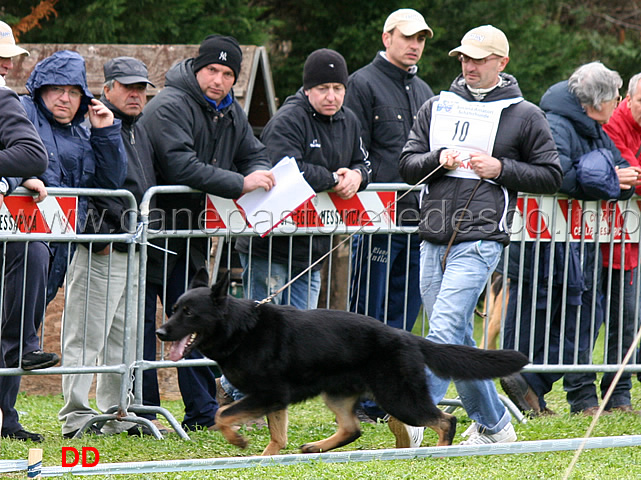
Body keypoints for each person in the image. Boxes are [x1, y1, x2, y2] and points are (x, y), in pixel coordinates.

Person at [391, 25, 562, 447]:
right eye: (464, 58)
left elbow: (552, 174)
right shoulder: (437, 106)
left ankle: (416, 413)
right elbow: (407, 164)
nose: (468, 66)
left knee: (445, 328)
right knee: (458, 340)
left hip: (482, 236)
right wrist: (437, 159)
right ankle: (495, 425)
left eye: (478, 59)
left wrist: (500, 169)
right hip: (433, 235)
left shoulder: (526, 114)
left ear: (501, 64)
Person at [140, 34, 275, 431]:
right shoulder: (169, 105)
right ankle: (145, 410)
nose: (218, 80)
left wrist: (257, 171)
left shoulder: (230, 111)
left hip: (191, 233)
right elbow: (181, 165)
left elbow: (254, 152)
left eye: (227, 73)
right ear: (197, 68)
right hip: (151, 229)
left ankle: (201, 412)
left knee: (195, 321)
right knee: (146, 324)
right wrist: (240, 183)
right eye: (211, 70)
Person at [222, 48, 370, 404]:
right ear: (307, 89)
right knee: (259, 331)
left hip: (313, 249)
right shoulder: (288, 119)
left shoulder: (349, 120)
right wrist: (334, 177)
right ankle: (235, 391)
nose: (331, 96)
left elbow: (365, 160)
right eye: (323, 88)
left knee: (302, 332)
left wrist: (358, 175)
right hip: (270, 246)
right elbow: (283, 166)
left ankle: (254, 393)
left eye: (338, 87)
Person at [500, 62, 638, 417]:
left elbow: (625, 174)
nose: (618, 103)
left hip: (579, 246)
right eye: (615, 97)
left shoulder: (594, 128)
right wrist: (607, 180)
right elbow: (555, 174)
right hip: (544, 246)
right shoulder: (555, 124)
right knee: (542, 323)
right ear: (599, 100)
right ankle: (529, 385)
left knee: (579, 322)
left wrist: (611, 180)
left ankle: (532, 387)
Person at [58, 57, 158, 438]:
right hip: (102, 245)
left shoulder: (137, 128)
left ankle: (118, 414)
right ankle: (76, 416)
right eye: (128, 87)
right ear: (109, 87)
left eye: (141, 88)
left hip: (133, 245)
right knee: (86, 335)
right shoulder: (92, 125)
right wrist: (97, 236)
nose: (136, 94)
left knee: (124, 337)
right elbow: (83, 183)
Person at [344, 7, 435, 424]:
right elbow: (354, 149)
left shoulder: (426, 91)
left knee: (402, 315)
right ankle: (361, 399)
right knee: (369, 314)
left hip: (417, 218)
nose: (414, 45)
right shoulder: (361, 83)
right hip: (377, 219)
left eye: (420, 39)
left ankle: (388, 397)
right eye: (407, 37)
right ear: (387, 38)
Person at [0, 20, 50, 443]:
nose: (4, 66)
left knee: (33, 252)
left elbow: (32, 155)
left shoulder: (4, 102)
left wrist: (13, 179)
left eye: (6, 58)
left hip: (9, 238)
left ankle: (6, 417)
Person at [603, 73, 641, 396]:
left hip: (630, 239)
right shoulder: (614, 127)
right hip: (610, 238)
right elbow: (630, 177)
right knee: (621, 317)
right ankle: (617, 391)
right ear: (627, 99)